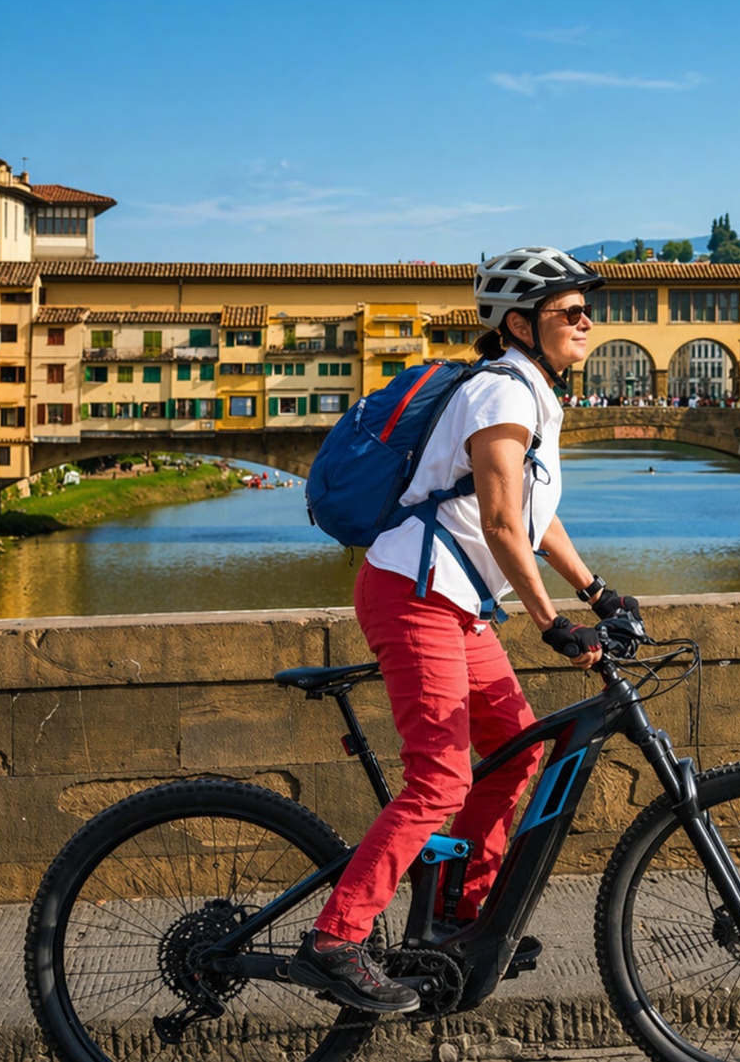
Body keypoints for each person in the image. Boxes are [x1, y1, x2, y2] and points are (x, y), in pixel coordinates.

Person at [288, 246, 639, 1014]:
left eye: (588, 309)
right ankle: (336, 938)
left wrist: (599, 591)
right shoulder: (500, 393)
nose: (588, 321)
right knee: (440, 777)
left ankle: (459, 924)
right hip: (412, 594)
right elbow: (501, 521)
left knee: (515, 755)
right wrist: (553, 623)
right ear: (521, 323)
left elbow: (538, 519)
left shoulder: (531, 396)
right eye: (569, 312)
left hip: (456, 603)